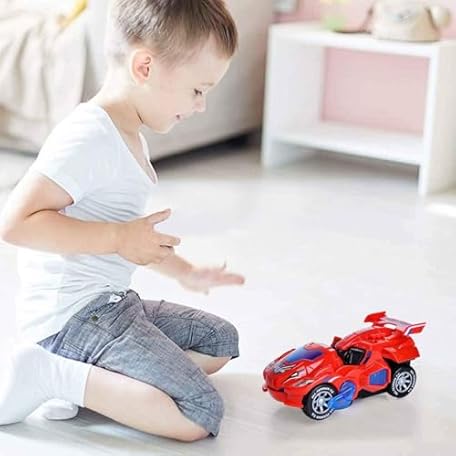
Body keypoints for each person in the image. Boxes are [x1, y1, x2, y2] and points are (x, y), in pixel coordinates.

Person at [0, 0, 245, 442]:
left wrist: (186, 272)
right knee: (199, 413)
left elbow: (135, 239)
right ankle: (51, 374)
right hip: (72, 320)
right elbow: (15, 223)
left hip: (111, 304)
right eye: (196, 90)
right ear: (144, 67)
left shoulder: (127, 133)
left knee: (219, 342)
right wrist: (116, 237)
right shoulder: (89, 137)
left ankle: (92, 383)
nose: (201, 105)